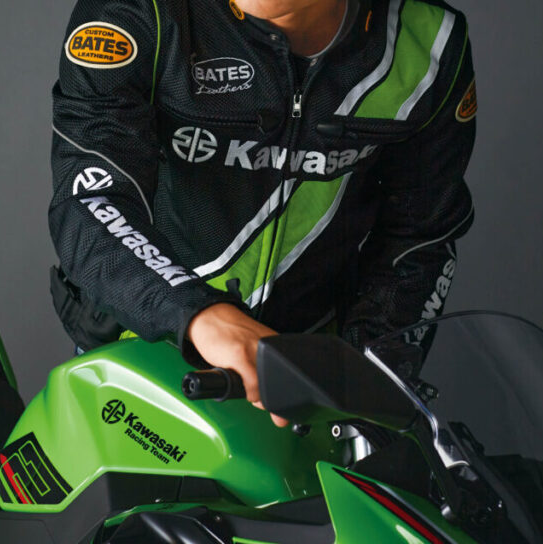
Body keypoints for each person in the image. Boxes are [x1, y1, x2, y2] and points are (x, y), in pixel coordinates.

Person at [49, 0, 476, 426]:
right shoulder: (138, 10)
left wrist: (364, 377)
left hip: (303, 377)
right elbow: (91, 198)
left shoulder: (429, 40)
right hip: (138, 349)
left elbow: (421, 236)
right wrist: (196, 314)